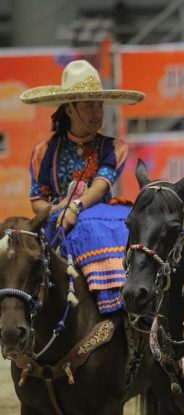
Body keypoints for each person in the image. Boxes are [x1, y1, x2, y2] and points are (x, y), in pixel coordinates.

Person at [21, 59, 144, 314]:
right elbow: (37, 199)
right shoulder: (44, 151)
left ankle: (128, 313)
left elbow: (100, 186)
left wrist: (75, 208)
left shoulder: (112, 147)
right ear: (69, 109)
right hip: (57, 218)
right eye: (89, 106)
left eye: (99, 105)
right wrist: (57, 209)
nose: (97, 112)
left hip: (98, 211)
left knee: (127, 224)